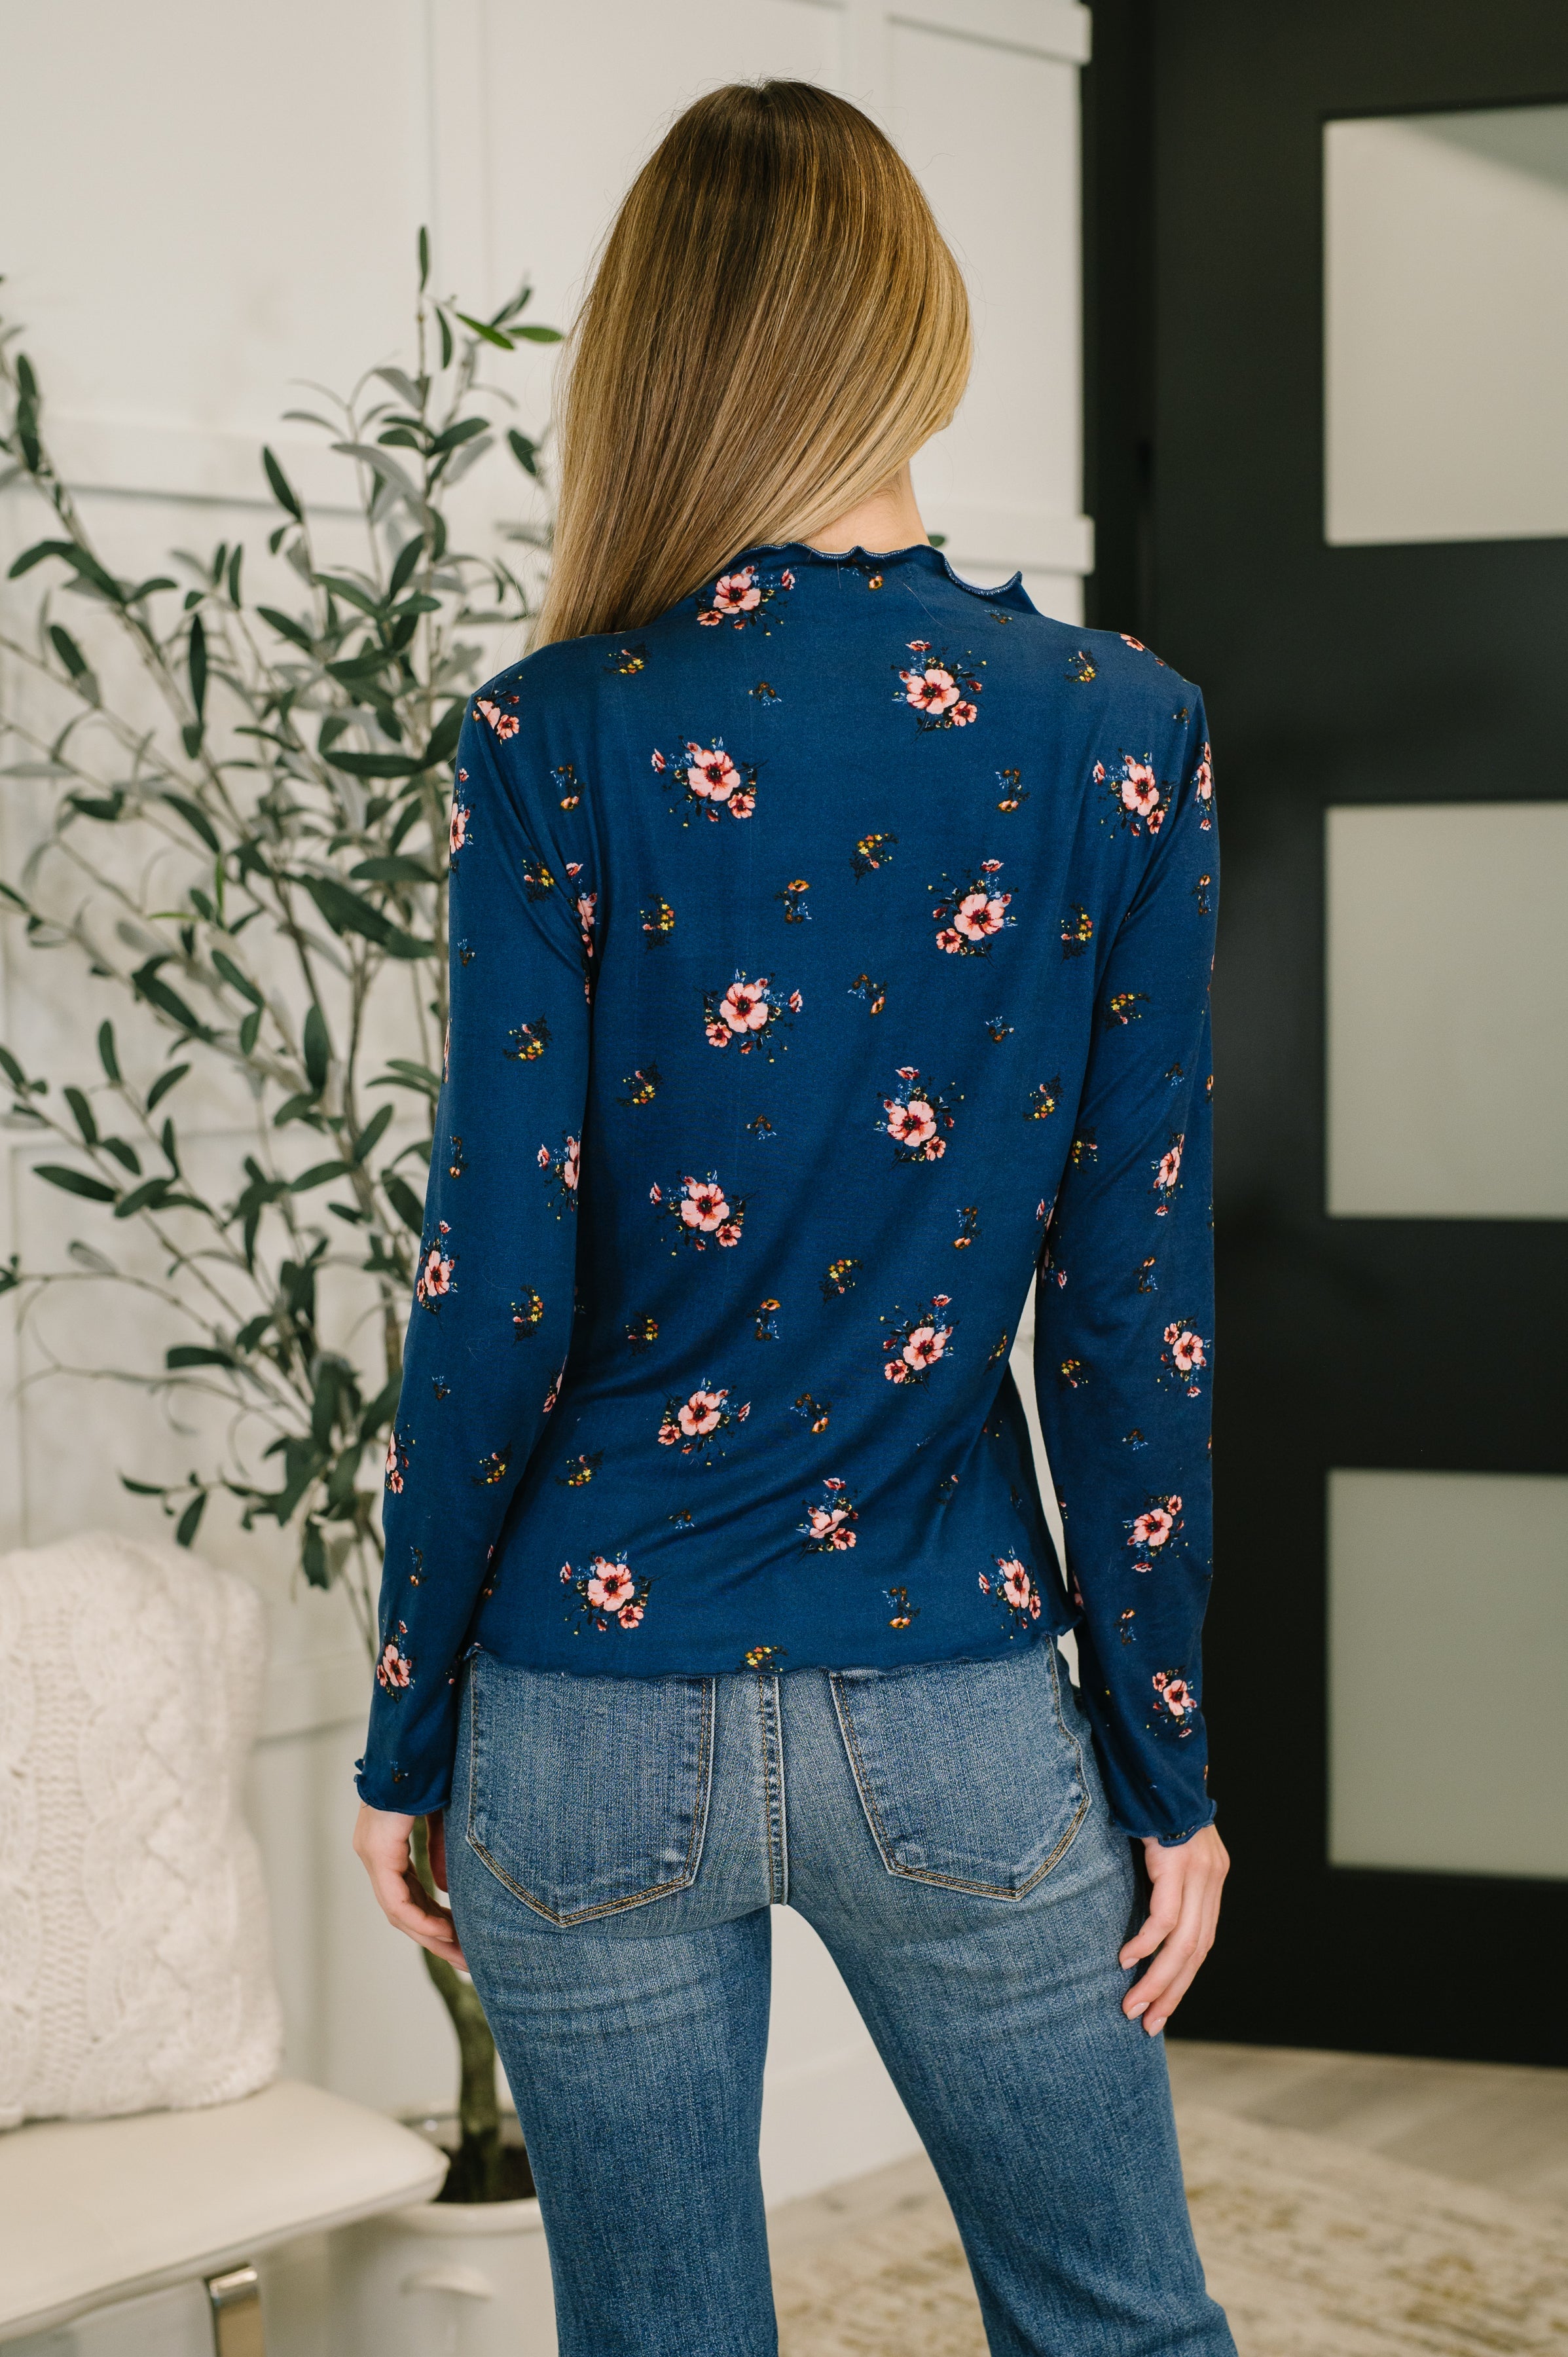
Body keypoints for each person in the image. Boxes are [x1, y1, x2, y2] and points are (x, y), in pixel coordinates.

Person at [354, 77, 1233, 2357]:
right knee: (1118, 2327)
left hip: (583, 1702)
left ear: (652, 356)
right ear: (921, 334)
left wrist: (402, 1731)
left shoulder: (553, 737)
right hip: (945, 1691)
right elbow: (1130, 1315)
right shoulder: (1118, 730)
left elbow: (490, 1293)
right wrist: (1164, 1766)